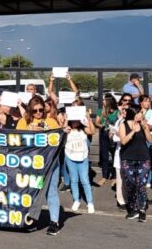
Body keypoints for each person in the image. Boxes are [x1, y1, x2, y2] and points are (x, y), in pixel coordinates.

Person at [16, 96, 64, 235]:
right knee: (30, 191)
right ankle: (30, 219)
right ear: (30, 110)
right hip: (30, 162)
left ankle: (54, 222)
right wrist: (29, 131)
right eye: (35, 110)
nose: (38, 113)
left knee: (51, 191)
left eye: (41, 110)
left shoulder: (51, 122)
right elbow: (17, 141)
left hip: (50, 162)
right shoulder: (23, 122)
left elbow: (59, 140)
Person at [118, 105, 152, 222]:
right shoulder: (123, 125)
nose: (141, 114)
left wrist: (144, 127)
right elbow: (123, 141)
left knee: (141, 185)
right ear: (133, 113)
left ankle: (142, 209)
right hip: (128, 159)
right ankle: (133, 209)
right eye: (139, 112)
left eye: (142, 113)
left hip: (143, 158)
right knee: (131, 184)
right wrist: (133, 131)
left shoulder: (144, 124)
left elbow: (149, 139)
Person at [65, 110, 96, 214]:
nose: (75, 122)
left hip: (83, 157)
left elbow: (93, 131)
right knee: (74, 180)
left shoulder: (83, 129)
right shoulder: (68, 129)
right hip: (70, 156)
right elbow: (61, 132)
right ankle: (76, 200)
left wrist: (89, 119)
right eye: (73, 120)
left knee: (85, 180)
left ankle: (90, 202)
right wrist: (65, 120)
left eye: (77, 120)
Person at [93, 95, 118, 186]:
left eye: (104, 100)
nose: (103, 101)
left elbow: (119, 123)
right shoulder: (101, 111)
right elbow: (96, 123)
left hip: (114, 136)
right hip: (104, 135)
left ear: (109, 101)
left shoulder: (117, 112)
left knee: (115, 156)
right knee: (104, 157)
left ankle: (115, 177)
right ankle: (104, 176)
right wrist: (101, 126)